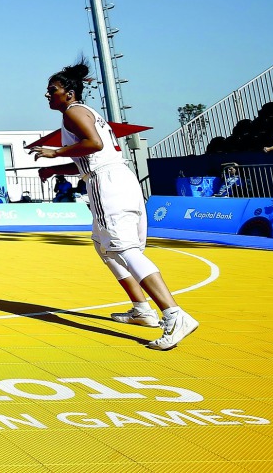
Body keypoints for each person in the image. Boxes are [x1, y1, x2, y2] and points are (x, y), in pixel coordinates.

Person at [31, 59, 199, 351]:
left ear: (69, 92)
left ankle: (174, 315)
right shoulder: (83, 112)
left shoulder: (73, 112)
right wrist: (56, 169)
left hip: (107, 184)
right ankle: (142, 309)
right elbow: (94, 156)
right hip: (117, 177)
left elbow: (94, 144)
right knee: (104, 245)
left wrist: (54, 152)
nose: (48, 94)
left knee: (124, 249)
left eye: (52, 89)